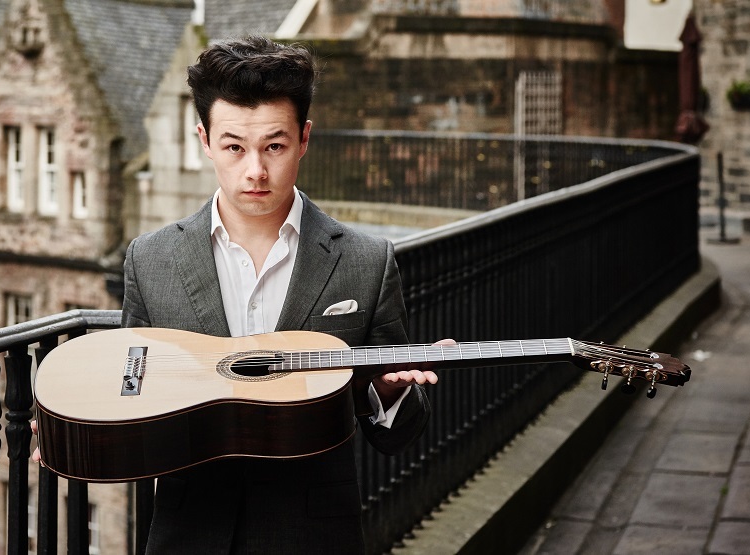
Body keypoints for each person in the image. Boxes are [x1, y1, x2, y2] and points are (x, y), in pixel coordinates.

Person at [37, 35, 448, 554]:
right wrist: (80, 427)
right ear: (205, 140)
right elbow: (135, 389)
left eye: (273, 146)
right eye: (234, 147)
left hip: (314, 535)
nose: (255, 170)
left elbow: (395, 435)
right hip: (189, 534)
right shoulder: (152, 258)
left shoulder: (366, 261)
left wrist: (388, 396)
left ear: (303, 138)